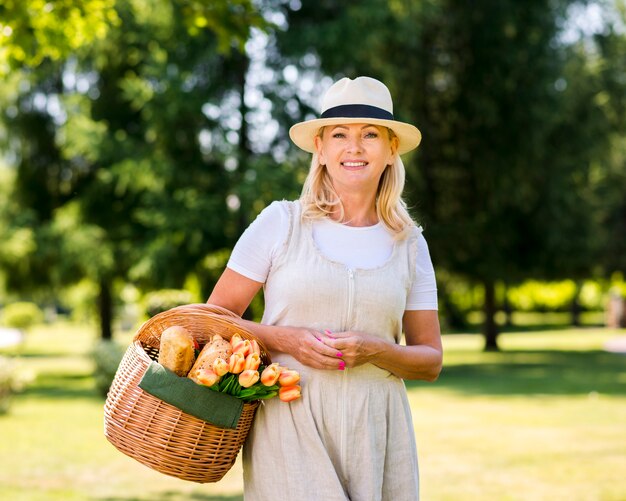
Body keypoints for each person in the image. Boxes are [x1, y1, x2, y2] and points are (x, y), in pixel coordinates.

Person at [208, 76, 442, 501]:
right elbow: (213, 319)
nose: (354, 147)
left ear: (391, 150)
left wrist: (375, 350)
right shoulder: (280, 223)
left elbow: (429, 360)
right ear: (320, 148)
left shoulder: (410, 244)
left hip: (378, 433)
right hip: (289, 425)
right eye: (339, 134)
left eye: (370, 134)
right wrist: (286, 340)